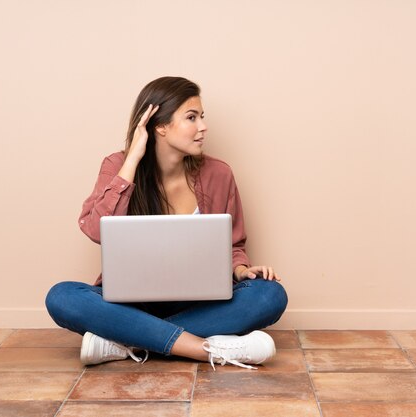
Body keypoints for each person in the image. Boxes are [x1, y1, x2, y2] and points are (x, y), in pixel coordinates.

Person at [45, 76, 288, 370]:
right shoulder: (117, 166)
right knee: (62, 297)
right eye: (191, 117)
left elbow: (233, 244)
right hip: (132, 304)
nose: (203, 126)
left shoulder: (219, 174)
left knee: (270, 294)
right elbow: (96, 228)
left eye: (202, 116)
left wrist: (242, 270)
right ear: (160, 126)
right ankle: (205, 348)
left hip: (201, 303)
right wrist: (132, 160)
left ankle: (126, 341)